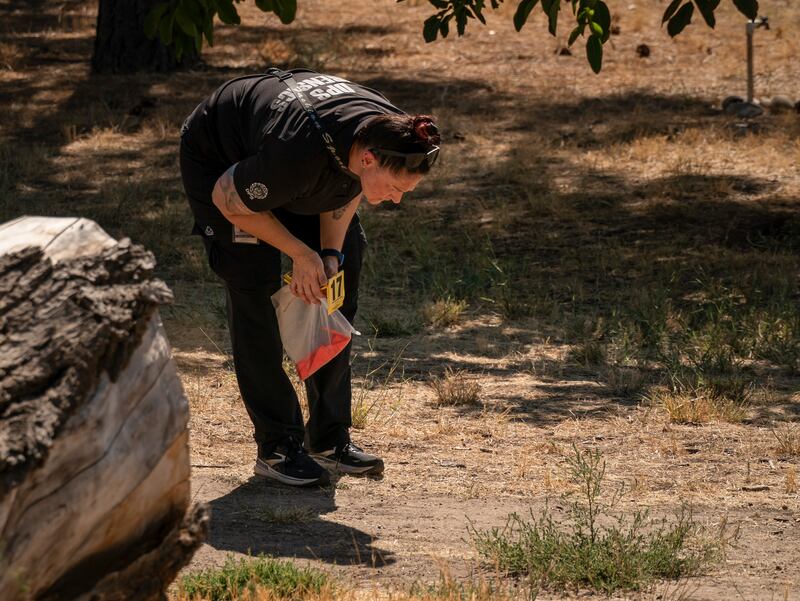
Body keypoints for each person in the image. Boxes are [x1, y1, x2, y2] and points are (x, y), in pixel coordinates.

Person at [179, 68, 441, 487]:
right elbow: (227, 197)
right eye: (395, 187)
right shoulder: (296, 152)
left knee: (337, 286)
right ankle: (278, 446)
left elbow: (347, 184)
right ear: (370, 159)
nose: (396, 199)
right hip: (225, 166)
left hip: (284, 165)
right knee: (255, 291)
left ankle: (328, 439)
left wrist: (330, 255)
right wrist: (299, 253)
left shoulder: (387, 131)